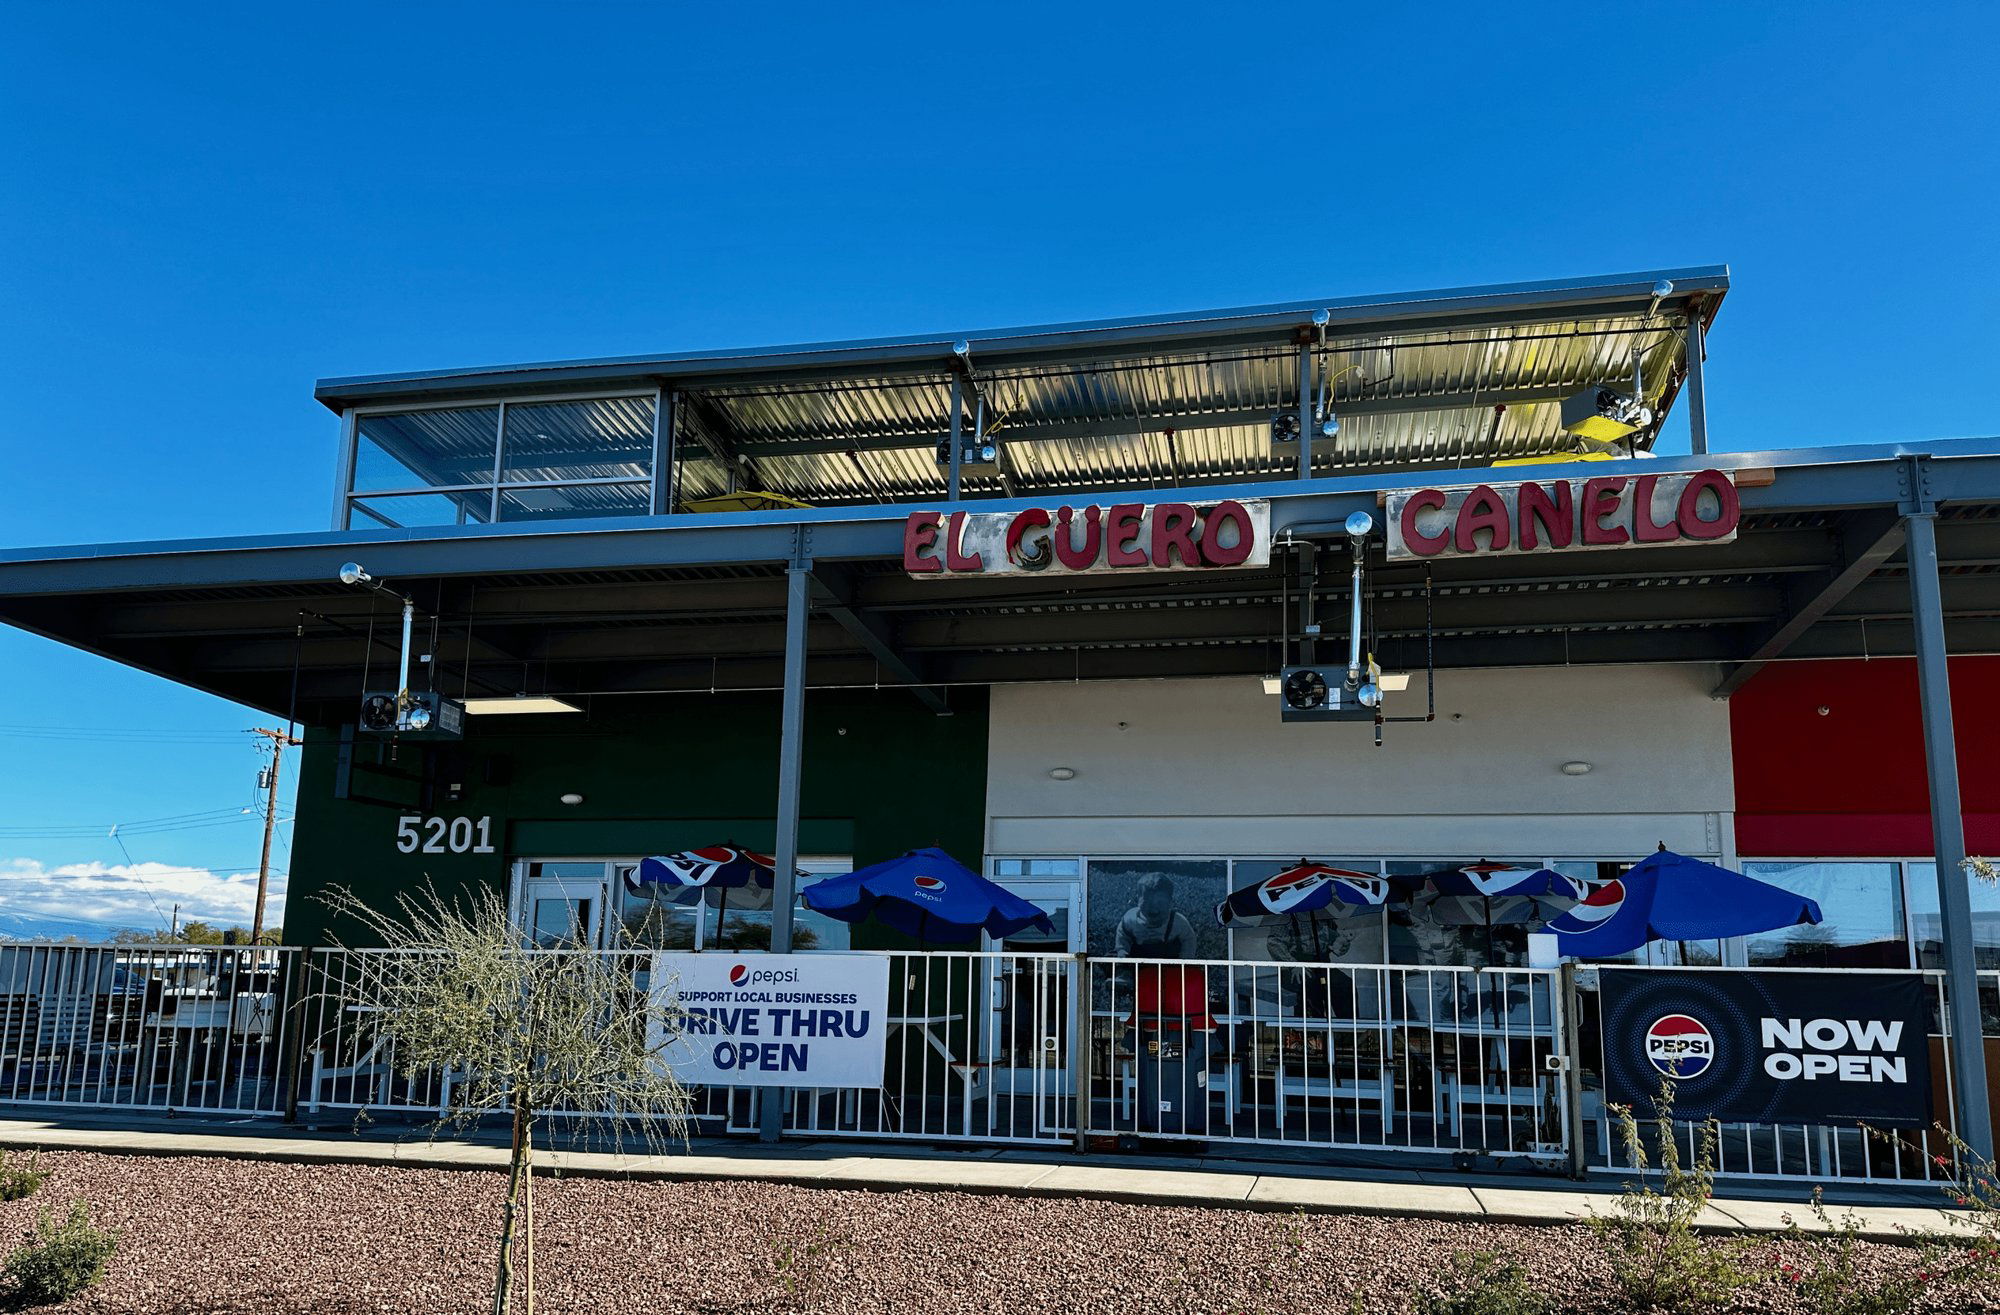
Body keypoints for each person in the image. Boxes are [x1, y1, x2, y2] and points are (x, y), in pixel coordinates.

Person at [1115, 873, 1197, 959]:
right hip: (1139, 959)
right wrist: (1122, 952)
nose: (1154, 908)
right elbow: (1122, 936)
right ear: (1138, 899)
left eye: (1160, 903)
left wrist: (1184, 960)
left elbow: (1189, 939)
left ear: (1170, 902)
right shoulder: (1131, 919)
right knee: (1111, 957)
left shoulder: (1177, 922)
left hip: (1167, 961)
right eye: (1147, 902)